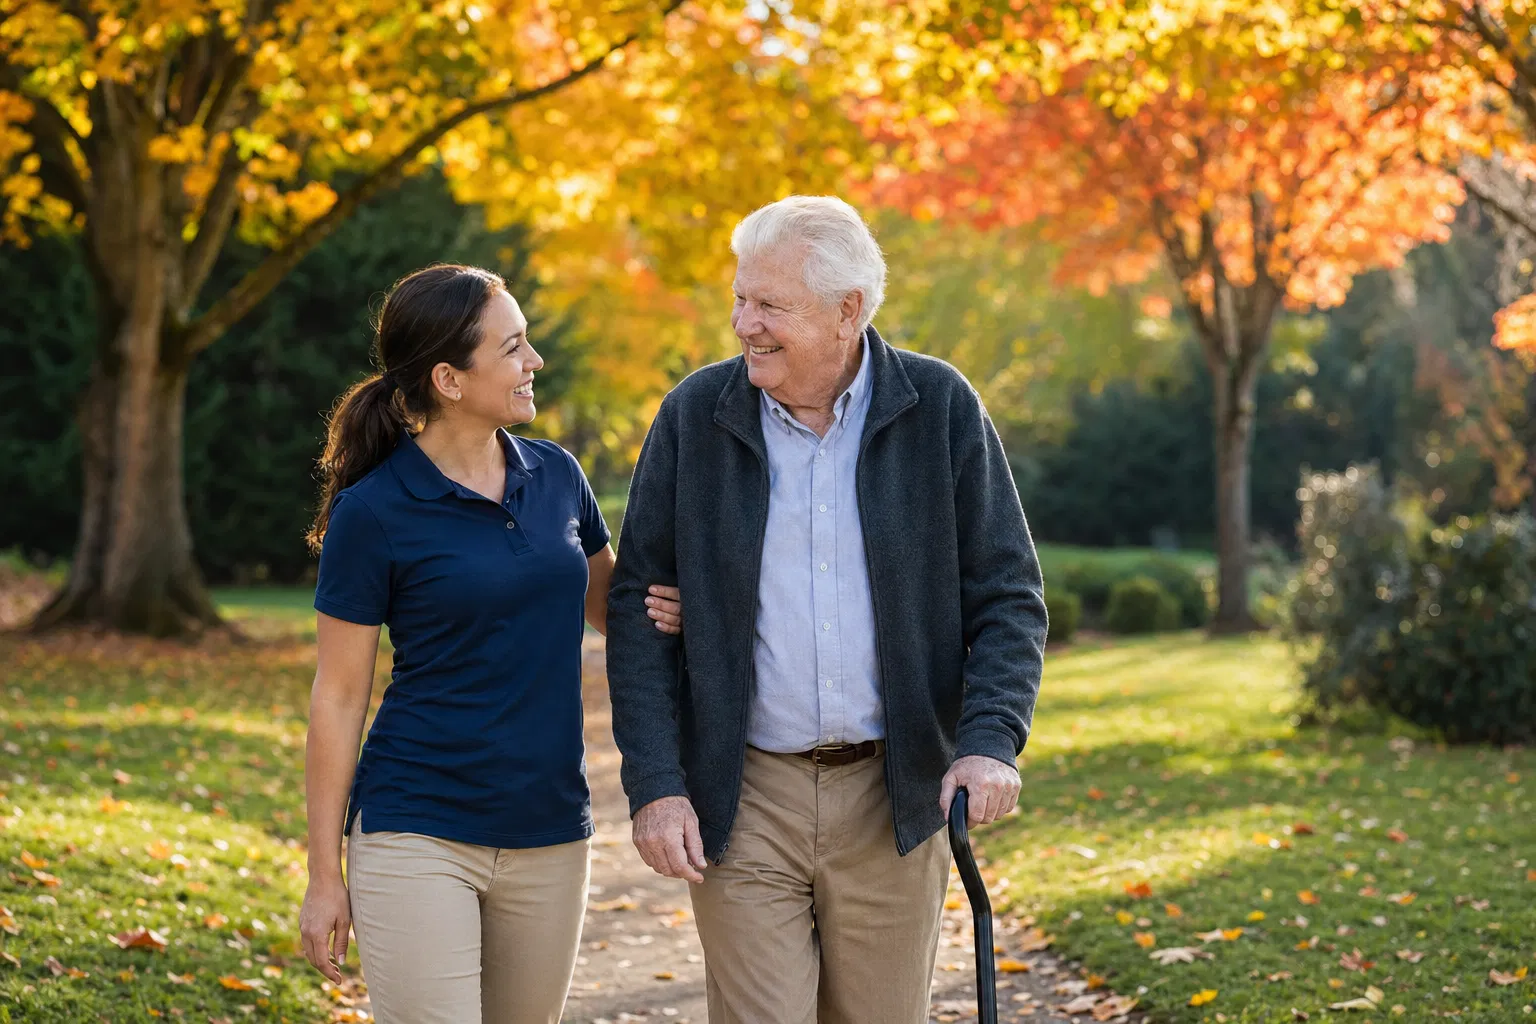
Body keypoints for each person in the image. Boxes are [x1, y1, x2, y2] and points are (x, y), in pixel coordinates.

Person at [606, 196, 1049, 1023]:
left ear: (847, 311)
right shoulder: (696, 416)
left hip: (892, 795)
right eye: (740, 299)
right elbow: (639, 612)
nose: (744, 324)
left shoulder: (939, 407)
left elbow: (1007, 595)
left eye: (770, 305)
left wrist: (990, 742)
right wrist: (657, 786)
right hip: (744, 796)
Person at [297, 264, 682, 1024]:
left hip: (550, 827)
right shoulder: (373, 512)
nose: (534, 362)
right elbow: (339, 698)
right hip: (418, 825)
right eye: (513, 348)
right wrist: (323, 875)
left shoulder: (558, 477)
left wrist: (681, 611)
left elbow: (618, 609)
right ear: (448, 377)